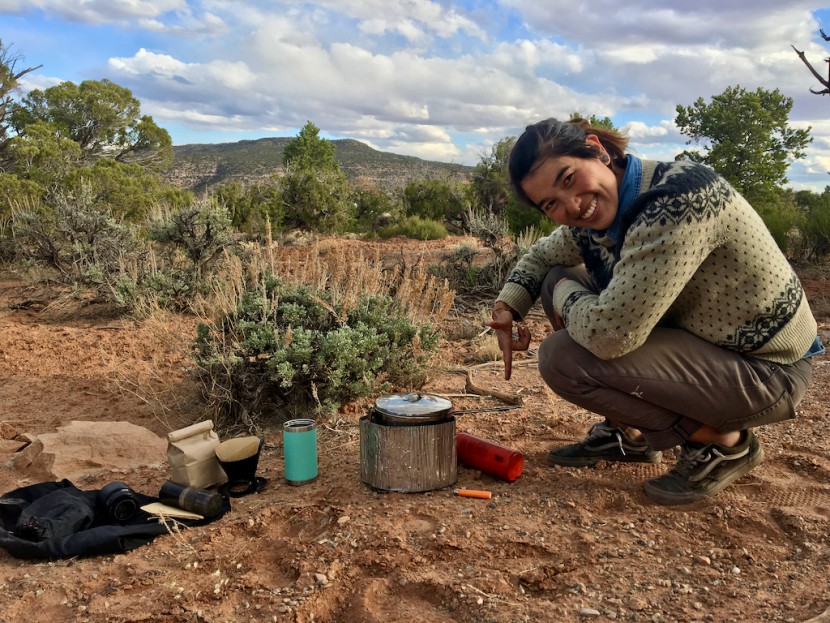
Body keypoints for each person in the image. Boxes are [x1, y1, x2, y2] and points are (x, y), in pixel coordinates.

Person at [490, 117, 823, 505]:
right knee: (557, 275)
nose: (574, 206)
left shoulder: (674, 201)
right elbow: (542, 255)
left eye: (568, 179)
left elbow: (609, 336)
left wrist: (565, 293)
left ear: (597, 150)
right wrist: (508, 305)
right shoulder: (611, 207)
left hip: (767, 371)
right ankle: (628, 434)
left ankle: (722, 442)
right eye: (551, 204)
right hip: (710, 350)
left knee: (561, 356)